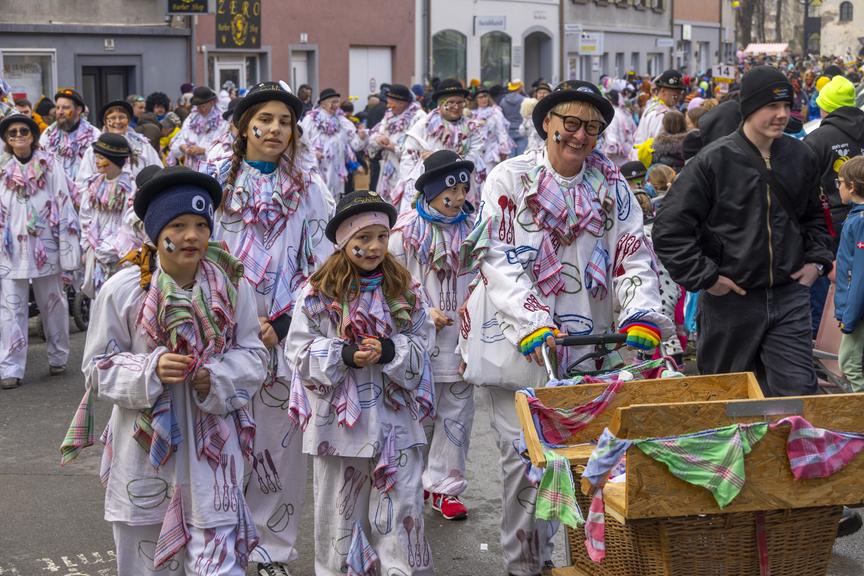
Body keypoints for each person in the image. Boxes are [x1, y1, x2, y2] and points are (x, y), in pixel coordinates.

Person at [456, 81, 672, 576]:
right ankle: (524, 566)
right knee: (525, 467)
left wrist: (641, 314)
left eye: (591, 128)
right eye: (569, 124)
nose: (579, 135)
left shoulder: (614, 185)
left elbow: (633, 254)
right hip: (518, 345)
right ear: (547, 125)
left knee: (579, 463)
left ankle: (570, 562)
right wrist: (532, 321)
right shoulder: (509, 179)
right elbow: (498, 258)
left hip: (588, 344)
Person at [60, 165, 269, 574]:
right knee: (146, 558)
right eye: (178, 224)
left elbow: (255, 355)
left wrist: (218, 377)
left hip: (214, 445)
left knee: (218, 561)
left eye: (200, 224)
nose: (192, 235)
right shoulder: (123, 290)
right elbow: (96, 368)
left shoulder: (232, 285)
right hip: (144, 450)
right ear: (156, 232)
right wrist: (151, 370)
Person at [209, 81, 334, 576]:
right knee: (219, 442)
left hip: (284, 336)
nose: (275, 129)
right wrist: (231, 319)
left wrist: (284, 322)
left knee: (277, 449)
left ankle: (272, 549)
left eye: (285, 121)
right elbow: (198, 254)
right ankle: (219, 542)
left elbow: (324, 265)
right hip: (222, 336)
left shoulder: (311, 189)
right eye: (264, 119)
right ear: (243, 127)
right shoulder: (213, 187)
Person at [653, 66, 834, 398]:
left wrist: (816, 262)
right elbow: (669, 229)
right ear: (750, 107)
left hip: (788, 296)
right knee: (725, 396)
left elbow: (815, 218)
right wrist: (707, 277)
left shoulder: (801, 156)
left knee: (798, 397)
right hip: (731, 302)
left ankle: (792, 451)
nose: (782, 115)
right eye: (772, 106)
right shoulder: (713, 161)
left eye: (786, 106)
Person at [286, 190, 435, 576]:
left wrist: (390, 350)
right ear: (344, 241)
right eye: (363, 238)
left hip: (396, 423)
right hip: (339, 430)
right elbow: (298, 352)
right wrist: (344, 355)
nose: (374, 247)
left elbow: (424, 342)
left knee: (402, 511)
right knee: (341, 515)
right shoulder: (319, 292)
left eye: (382, 237)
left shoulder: (404, 288)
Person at [389, 150, 477, 522]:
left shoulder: (474, 228)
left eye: (462, 191)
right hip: (419, 341)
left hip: (462, 339)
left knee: (456, 415)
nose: (456, 199)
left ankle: (445, 487)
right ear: (430, 192)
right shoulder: (405, 232)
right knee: (417, 415)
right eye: (448, 193)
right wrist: (421, 310)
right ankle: (411, 479)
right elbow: (392, 284)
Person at [0, 113, 81, 389]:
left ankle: (58, 357)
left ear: (33, 136)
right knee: (11, 309)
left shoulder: (50, 165)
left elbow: (64, 203)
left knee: (54, 303)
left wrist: (67, 248)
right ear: (7, 140)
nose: (19, 136)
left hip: (46, 247)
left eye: (24, 131)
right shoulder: (2, 169)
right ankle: (11, 366)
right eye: (13, 133)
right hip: (10, 252)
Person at [804, 74, 864, 334]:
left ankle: (823, 337)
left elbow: (803, 183)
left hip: (832, 223)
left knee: (827, 279)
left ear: (825, 106)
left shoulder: (817, 139)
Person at [397, 79, 486, 213]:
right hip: (431, 190)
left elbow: (476, 155)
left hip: (461, 189)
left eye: (460, 102)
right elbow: (408, 159)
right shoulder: (423, 126)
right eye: (450, 102)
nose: (456, 107)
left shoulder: (471, 128)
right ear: (440, 104)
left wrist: (439, 159)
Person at [77, 133, 140, 298]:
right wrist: (86, 244)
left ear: (115, 161)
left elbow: (129, 222)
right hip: (95, 245)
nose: (97, 161)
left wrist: (114, 246)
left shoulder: (129, 188)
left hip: (118, 250)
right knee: (97, 295)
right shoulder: (93, 184)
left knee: (116, 293)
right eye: (96, 157)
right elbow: (85, 214)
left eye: (102, 157)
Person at [300, 88, 369, 200]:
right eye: (332, 102)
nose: (336, 105)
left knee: (334, 203)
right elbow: (301, 143)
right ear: (322, 103)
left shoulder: (343, 122)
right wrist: (313, 153)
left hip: (337, 176)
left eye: (337, 102)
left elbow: (356, 145)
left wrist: (361, 137)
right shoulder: (310, 120)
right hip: (316, 172)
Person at [366, 84, 427, 206]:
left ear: (402, 103)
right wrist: (379, 139)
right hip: (389, 170)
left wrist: (395, 148)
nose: (388, 106)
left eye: (391, 103)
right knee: (388, 204)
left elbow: (419, 145)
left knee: (405, 204)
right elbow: (376, 133)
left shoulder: (419, 117)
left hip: (409, 170)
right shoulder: (389, 115)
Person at [77, 99, 163, 184]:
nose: (117, 122)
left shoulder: (143, 146)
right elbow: (83, 182)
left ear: (128, 120)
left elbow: (157, 172)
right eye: (113, 118)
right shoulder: (95, 149)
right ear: (105, 122)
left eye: (122, 117)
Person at [835, 156, 864, 391]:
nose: (838, 187)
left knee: (850, 363)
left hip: (857, 310)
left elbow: (860, 273)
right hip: (855, 307)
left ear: (852, 186)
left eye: (840, 182)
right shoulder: (856, 217)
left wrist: (849, 317)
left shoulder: (859, 222)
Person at [39, 88, 101, 184]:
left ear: (79, 110)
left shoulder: (93, 135)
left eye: (65, 107)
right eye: (57, 107)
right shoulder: (48, 134)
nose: (60, 112)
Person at [169, 87, 226, 173]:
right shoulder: (191, 119)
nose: (202, 109)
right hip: (192, 168)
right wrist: (183, 147)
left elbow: (225, 146)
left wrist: (203, 151)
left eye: (204, 106)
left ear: (211, 103)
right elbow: (181, 138)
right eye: (199, 107)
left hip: (213, 169)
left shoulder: (222, 121)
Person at [633, 70, 685, 147]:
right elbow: (658, 145)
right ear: (663, 91)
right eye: (676, 94)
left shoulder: (655, 106)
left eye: (680, 93)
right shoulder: (660, 115)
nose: (679, 97)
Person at [471, 86, 514, 173]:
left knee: (489, 176)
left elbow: (502, 132)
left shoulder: (495, 112)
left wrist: (504, 150)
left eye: (485, 96)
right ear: (476, 100)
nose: (483, 99)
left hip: (491, 151)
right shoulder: (471, 114)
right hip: (476, 153)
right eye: (480, 97)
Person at [600, 89, 637, 167]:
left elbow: (611, 138)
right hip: (629, 156)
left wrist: (607, 155)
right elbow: (635, 133)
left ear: (610, 101)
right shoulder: (625, 113)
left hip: (616, 160)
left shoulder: (612, 114)